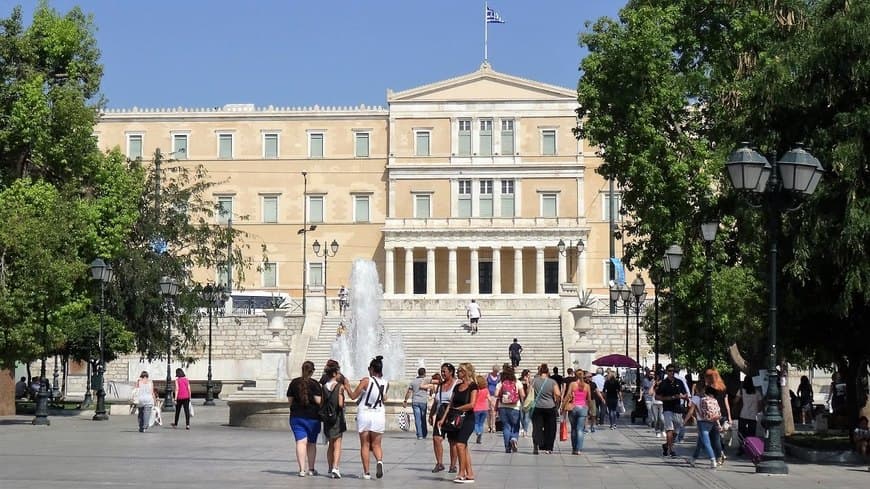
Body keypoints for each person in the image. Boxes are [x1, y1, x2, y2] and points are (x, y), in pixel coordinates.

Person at [348, 355, 389, 480]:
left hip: (365, 414)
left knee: (365, 444)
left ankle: (366, 472)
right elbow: (384, 398)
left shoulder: (366, 381)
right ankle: (379, 461)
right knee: (377, 444)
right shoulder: (386, 383)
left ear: (371, 369)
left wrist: (346, 386)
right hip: (379, 415)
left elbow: (353, 396)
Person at [437, 362, 477, 483]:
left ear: (465, 373)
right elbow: (450, 404)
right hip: (456, 419)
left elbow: (472, 404)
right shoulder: (457, 386)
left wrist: (458, 409)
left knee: (460, 445)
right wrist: (443, 419)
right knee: (463, 447)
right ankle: (470, 474)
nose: (457, 372)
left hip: (468, 418)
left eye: (459, 370)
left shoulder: (473, 386)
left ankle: (461, 472)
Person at [287, 360, 323, 477]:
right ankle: (311, 469)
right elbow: (318, 401)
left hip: (296, 417)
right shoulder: (315, 384)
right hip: (313, 418)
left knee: (300, 442)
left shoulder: (294, 383)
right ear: (312, 371)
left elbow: (290, 401)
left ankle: (302, 469)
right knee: (311, 444)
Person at [320, 359, 348, 479]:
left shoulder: (324, 386)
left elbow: (322, 402)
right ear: (335, 374)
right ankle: (336, 468)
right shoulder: (340, 386)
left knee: (330, 443)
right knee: (338, 443)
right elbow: (340, 404)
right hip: (337, 417)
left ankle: (330, 467)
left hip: (327, 418)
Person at [429, 364, 458, 473]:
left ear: (451, 372)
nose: (442, 373)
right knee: (436, 438)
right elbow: (436, 402)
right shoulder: (440, 385)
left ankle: (453, 465)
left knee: (452, 441)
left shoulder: (456, 383)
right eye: (441, 371)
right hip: (440, 413)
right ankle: (439, 463)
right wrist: (431, 414)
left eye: (444, 371)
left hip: (452, 414)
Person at [655, 364, 687, 458]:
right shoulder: (663, 383)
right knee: (669, 429)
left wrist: (682, 397)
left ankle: (666, 445)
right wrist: (668, 398)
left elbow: (685, 394)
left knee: (676, 430)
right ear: (666, 371)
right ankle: (671, 449)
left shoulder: (679, 382)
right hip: (667, 409)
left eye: (673, 371)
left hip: (677, 408)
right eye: (669, 370)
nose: (671, 372)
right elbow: (657, 396)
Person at [530, 363, 561, 454]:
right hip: (550, 407)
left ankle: (536, 444)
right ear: (548, 372)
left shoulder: (534, 381)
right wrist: (556, 401)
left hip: (537, 407)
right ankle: (549, 447)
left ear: (539, 371)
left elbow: (529, 392)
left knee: (537, 427)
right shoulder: (552, 382)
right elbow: (558, 394)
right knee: (550, 428)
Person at [495, 365, 525, 453]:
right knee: (516, 425)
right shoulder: (517, 382)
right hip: (515, 407)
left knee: (506, 427)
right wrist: (522, 403)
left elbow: (496, 394)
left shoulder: (501, 382)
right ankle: (514, 438)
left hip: (503, 407)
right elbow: (522, 395)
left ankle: (507, 447)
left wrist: (502, 395)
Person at [561, 369, 591, 455]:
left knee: (574, 429)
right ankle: (579, 449)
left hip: (573, 407)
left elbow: (567, 396)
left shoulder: (573, 384)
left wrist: (562, 406)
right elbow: (589, 399)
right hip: (583, 408)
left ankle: (574, 448)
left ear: (575, 375)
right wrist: (588, 409)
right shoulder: (587, 386)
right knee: (580, 429)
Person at [735, 375, 762, 456]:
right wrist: (757, 410)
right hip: (753, 416)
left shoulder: (741, 391)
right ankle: (752, 449)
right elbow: (760, 404)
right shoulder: (757, 392)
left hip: (743, 414)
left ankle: (742, 448)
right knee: (752, 433)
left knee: (741, 433)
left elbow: (736, 401)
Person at [403, 367, 430, 440]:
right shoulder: (426, 381)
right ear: (424, 373)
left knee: (417, 419)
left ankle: (419, 435)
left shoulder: (413, 381)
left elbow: (409, 392)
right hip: (423, 402)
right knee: (423, 418)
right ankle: (424, 433)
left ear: (418, 373)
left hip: (415, 401)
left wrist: (405, 400)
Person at [485, 365, 500, 434]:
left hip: (495, 396)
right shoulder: (488, 375)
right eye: (495, 371)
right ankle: (489, 426)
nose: (496, 372)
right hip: (488, 395)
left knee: (494, 411)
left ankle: (494, 426)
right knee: (488, 411)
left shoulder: (499, 377)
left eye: (497, 371)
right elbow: (485, 384)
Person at [518, 368, 532, 437]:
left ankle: (525, 430)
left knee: (526, 417)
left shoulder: (530, 381)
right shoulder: (519, 381)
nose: (529, 376)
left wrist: (528, 383)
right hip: (520, 400)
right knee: (521, 416)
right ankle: (523, 428)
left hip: (528, 400)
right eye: (528, 375)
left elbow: (529, 392)